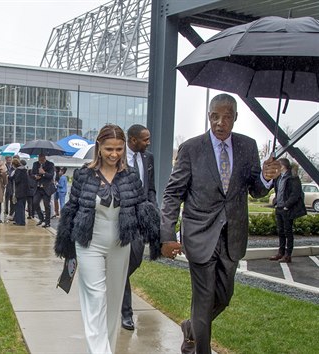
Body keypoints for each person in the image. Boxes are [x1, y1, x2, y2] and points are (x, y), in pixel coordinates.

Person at [160, 93, 281, 354]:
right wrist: (167, 234)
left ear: (235, 118)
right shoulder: (191, 148)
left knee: (224, 298)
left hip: (232, 237)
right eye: (215, 116)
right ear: (209, 116)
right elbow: (173, 194)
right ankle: (198, 349)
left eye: (226, 117)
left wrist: (267, 176)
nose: (220, 122)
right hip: (200, 235)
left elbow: (256, 190)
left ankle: (190, 328)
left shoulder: (248, 147)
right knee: (203, 301)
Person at [54, 124, 160, 354]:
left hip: (120, 245)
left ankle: (108, 349)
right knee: (95, 299)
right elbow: (72, 208)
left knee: (113, 305)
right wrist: (66, 243)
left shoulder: (130, 175)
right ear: (99, 147)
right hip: (89, 244)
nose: (114, 154)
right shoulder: (83, 174)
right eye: (109, 149)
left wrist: (158, 233)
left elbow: (141, 205)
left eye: (119, 149)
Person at [121, 123, 156, 331]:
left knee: (134, 260)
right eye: (145, 139)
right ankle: (127, 313)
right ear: (133, 140)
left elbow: (151, 187)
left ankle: (114, 282)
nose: (148, 142)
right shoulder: (119, 157)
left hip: (142, 216)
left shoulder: (148, 158)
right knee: (125, 264)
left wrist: (153, 210)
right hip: (123, 217)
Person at [270, 158, 306, 263]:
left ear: (282, 166)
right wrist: (276, 201)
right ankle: (280, 253)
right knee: (280, 231)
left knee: (288, 232)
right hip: (279, 208)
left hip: (287, 209)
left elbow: (295, 194)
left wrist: (286, 206)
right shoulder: (279, 178)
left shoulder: (293, 178)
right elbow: (278, 191)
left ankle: (288, 255)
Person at [31, 153, 56, 228]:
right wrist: (35, 176)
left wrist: (44, 173)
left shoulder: (50, 165)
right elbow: (32, 174)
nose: (40, 162)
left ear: (44, 158)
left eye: (42, 160)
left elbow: (51, 175)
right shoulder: (35, 164)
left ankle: (47, 222)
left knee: (46, 205)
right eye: (39, 160)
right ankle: (41, 218)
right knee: (35, 203)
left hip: (46, 188)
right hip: (38, 187)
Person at [11, 158, 31, 226]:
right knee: (23, 206)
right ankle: (22, 221)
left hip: (19, 191)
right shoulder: (25, 170)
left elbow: (17, 180)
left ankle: (19, 221)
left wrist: (12, 177)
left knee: (18, 206)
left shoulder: (18, 170)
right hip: (25, 191)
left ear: (14, 165)